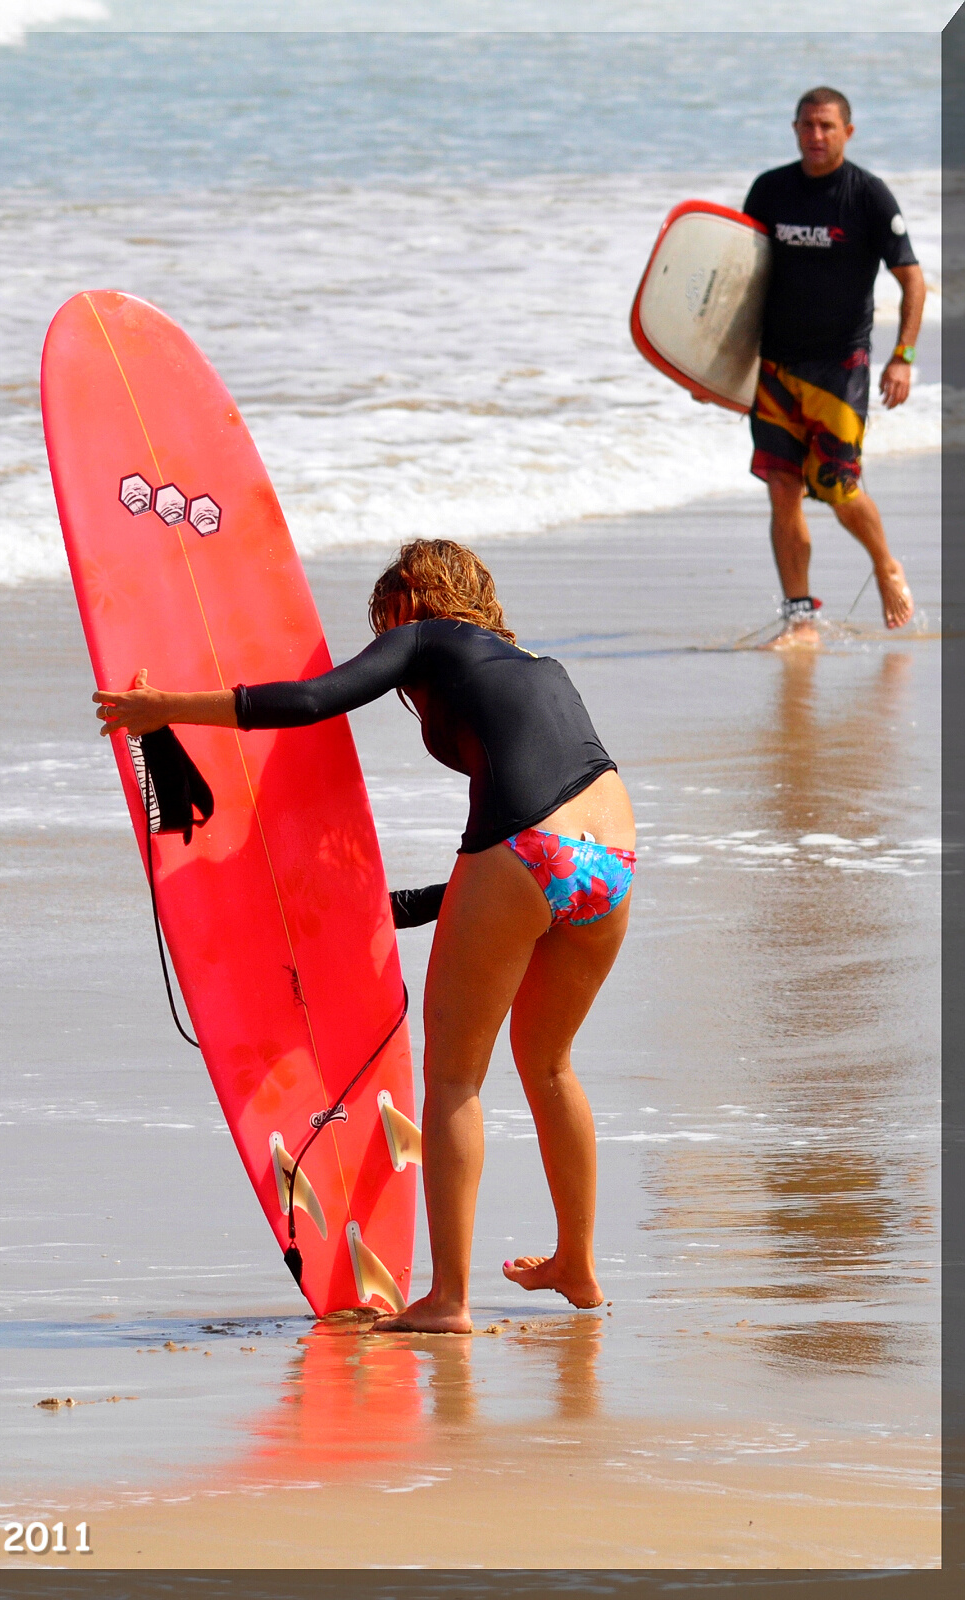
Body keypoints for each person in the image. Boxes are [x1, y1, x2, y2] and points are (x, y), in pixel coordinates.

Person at [93, 539, 635, 1334]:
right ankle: (578, 1262)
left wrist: (168, 709)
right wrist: (388, 908)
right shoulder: (540, 670)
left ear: (414, 597)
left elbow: (315, 700)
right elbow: (534, 868)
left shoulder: (428, 635)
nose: (386, 638)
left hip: (526, 850)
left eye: (385, 617)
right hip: (611, 860)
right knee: (549, 1064)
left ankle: (449, 1299)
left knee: (455, 1081)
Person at [743, 86, 924, 640]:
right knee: (782, 487)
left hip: (840, 368)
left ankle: (884, 561)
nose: (815, 136)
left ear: (848, 131)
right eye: (806, 125)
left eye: (826, 126)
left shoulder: (868, 196)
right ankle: (801, 614)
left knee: (839, 488)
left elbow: (912, 279)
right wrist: (715, 369)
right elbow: (738, 281)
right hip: (774, 367)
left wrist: (903, 357)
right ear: (794, 128)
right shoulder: (770, 191)